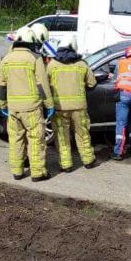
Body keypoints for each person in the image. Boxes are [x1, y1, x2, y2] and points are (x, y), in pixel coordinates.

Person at [0, 26, 54, 182]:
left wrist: (3, 105)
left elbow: (1, 85)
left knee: (16, 139)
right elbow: (42, 84)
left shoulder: (6, 59)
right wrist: (49, 105)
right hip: (32, 108)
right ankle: (38, 173)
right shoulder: (34, 59)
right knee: (36, 139)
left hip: (13, 108)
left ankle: (17, 171)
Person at [46, 35, 97, 172]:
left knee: (62, 137)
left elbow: (44, 85)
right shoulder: (82, 64)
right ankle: (88, 161)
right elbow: (92, 83)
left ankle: (66, 165)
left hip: (59, 108)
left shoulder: (52, 65)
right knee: (83, 134)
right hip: (79, 107)